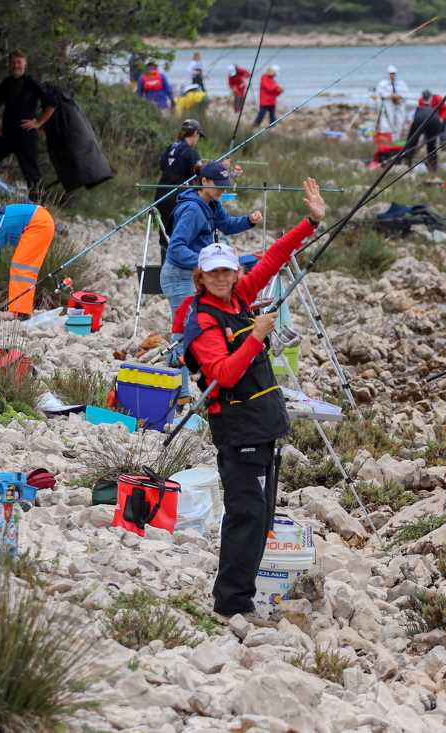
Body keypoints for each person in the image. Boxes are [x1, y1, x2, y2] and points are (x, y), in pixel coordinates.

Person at [173, 178, 325, 618]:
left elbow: (276, 256)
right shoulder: (200, 321)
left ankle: (242, 596)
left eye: (228, 271)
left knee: (261, 516)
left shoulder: (240, 296)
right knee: (245, 516)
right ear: (200, 277)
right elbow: (221, 375)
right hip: (236, 430)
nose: (223, 278)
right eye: (214, 272)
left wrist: (309, 223)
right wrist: (257, 337)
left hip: (263, 425)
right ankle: (231, 603)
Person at [162, 162, 262, 397]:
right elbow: (175, 249)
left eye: (224, 186)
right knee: (182, 333)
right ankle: (178, 392)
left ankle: (182, 389)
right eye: (218, 185)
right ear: (204, 182)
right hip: (178, 277)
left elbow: (226, 225)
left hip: (195, 276)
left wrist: (249, 220)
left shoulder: (211, 204)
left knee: (192, 330)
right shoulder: (192, 210)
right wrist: (207, 263)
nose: (221, 190)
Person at [0, 50, 57, 200]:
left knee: (31, 173)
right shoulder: (6, 83)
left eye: (19, 62)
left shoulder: (32, 82)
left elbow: (51, 104)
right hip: (6, 135)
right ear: (9, 64)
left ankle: (38, 207)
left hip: (26, 135)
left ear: (25, 64)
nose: (15, 65)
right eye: (13, 62)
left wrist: (38, 123)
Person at [156, 119, 205, 260]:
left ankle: (164, 266)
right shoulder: (191, 153)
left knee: (165, 235)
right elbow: (201, 175)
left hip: (161, 195)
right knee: (181, 235)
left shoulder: (170, 148)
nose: (198, 140)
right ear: (195, 133)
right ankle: (178, 269)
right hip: (178, 198)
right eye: (198, 136)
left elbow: (163, 167)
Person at [404, 91, 443, 172]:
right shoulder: (434, 110)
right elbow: (439, 121)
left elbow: (410, 121)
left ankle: (408, 162)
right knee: (432, 145)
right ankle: (433, 166)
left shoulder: (417, 109)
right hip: (434, 120)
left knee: (411, 141)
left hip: (419, 119)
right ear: (431, 98)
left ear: (422, 98)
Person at [376, 65, 409, 138]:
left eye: (393, 74)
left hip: (399, 105)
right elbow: (380, 94)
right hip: (387, 106)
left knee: (399, 122)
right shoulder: (382, 84)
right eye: (391, 74)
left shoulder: (401, 84)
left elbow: (405, 94)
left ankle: (396, 138)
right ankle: (386, 139)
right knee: (386, 123)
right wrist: (391, 96)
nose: (392, 76)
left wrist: (398, 97)